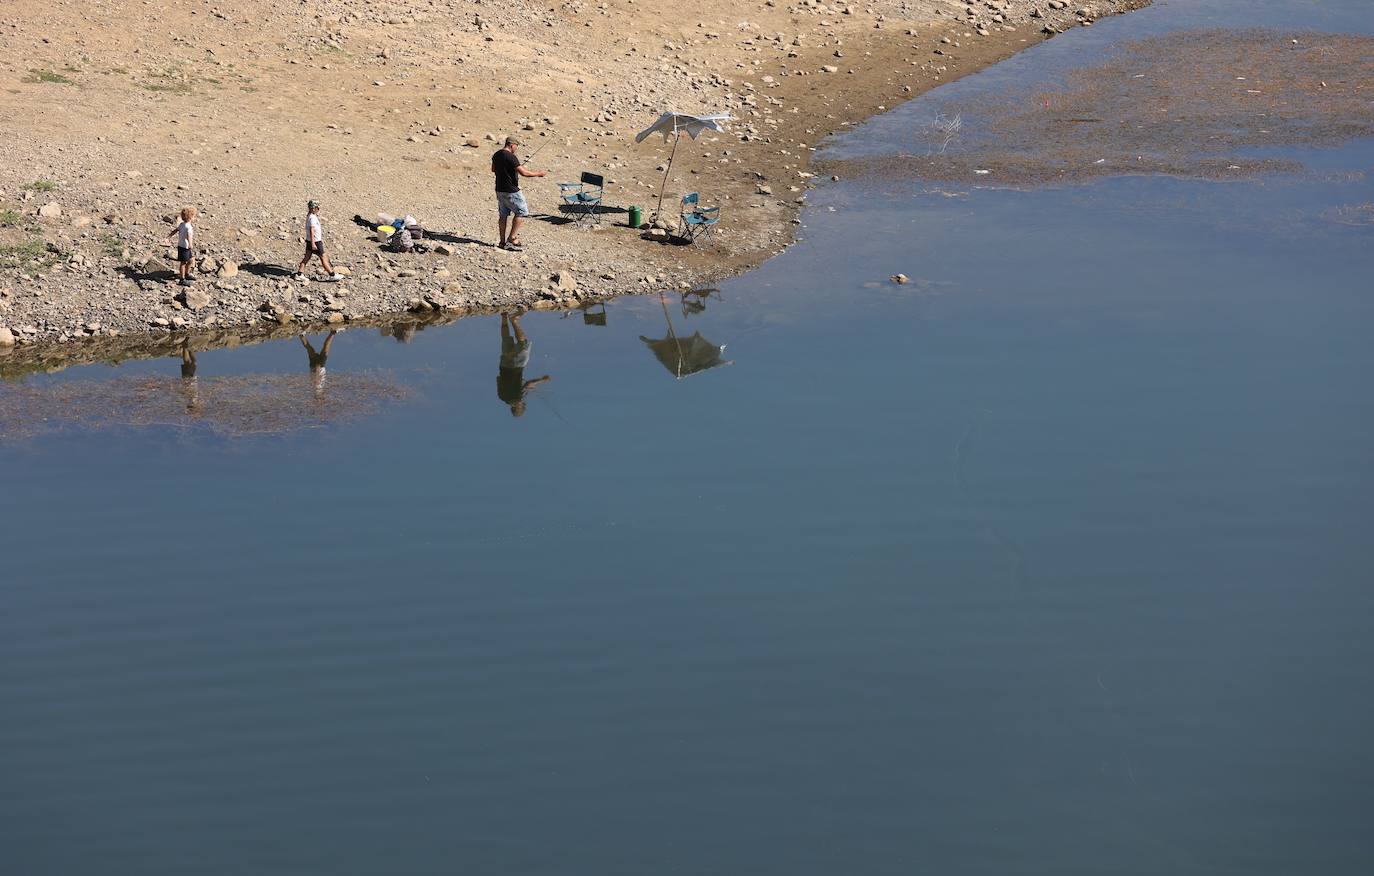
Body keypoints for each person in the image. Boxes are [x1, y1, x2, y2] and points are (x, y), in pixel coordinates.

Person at [491, 136, 546, 251]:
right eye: (516, 146)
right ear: (511, 145)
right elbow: (524, 173)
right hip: (511, 190)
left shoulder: (496, 155)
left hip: (499, 189)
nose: (516, 149)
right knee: (521, 211)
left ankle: (502, 242)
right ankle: (512, 237)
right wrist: (539, 174)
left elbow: (493, 169)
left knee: (503, 215)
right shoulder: (511, 157)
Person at [497, 312, 550, 417]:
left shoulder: (519, 397)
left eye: (522, 405)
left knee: (523, 344)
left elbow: (528, 384)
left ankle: (514, 321)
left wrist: (542, 380)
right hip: (504, 365)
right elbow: (498, 379)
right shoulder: (502, 396)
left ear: (519, 407)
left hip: (516, 366)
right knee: (505, 338)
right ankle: (504, 316)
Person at [296, 200, 342, 280]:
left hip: (310, 241)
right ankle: (332, 275)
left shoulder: (310, 216)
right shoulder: (312, 218)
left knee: (307, 257)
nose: (318, 209)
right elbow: (312, 230)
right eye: (317, 207)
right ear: (314, 208)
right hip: (315, 242)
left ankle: (300, 274)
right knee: (323, 257)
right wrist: (314, 243)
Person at [164, 206, 197, 286]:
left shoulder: (182, 224)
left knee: (191, 260)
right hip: (185, 247)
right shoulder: (188, 227)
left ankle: (186, 273)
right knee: (183, 262)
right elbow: (189, 236)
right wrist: (190, 244)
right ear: (190, 217)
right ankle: (182, 279)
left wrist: (169, 236)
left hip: (182, 246)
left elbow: (176, 230)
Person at [300, 329, 337, 399]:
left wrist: (318, 368)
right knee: (309, 348)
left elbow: (316, 379)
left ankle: (333, 333)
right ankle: (301, 335)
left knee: (326, 348)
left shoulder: (318, 390)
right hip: (314, 366)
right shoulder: (316, 390)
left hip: (319, 366)